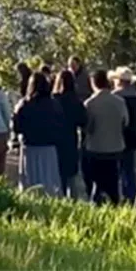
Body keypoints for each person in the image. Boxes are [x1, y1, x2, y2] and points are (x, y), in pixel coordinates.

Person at [12, 71, 65, 196]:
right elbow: (61, 124)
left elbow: (17, 126)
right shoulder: (54, 104)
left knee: (30, 179)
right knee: (49, 178)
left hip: (30, 147)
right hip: (49, 147)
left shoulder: (24, 104)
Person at [83, 70, 128, 204]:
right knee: (113, 179)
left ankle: (97, 203)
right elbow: (125, 121)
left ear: (93, 83)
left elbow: (88, 127)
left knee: (97, 181)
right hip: (116, 146)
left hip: (96, 147)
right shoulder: (120, 101)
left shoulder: (90, 103)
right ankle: (115, 202)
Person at [55, 69, 87, 199]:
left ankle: (60, 198)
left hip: (57, 139)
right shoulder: (76, 101)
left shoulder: (55, 100)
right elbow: (83, 120)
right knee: (72, 175)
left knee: (59, 173)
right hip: (71, 138)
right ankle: (73, 200)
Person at [114, 68, 136, 203]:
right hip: (133, 135)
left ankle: (120, 193)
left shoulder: (117, 96)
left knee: (118, 168)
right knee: (130, 167)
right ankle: (131, 194)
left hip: (119, 135)